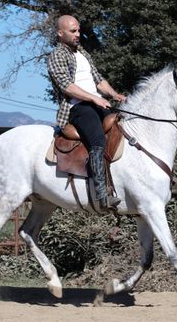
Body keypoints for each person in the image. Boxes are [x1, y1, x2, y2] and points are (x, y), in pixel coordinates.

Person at [47, 15, 126, 212]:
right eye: (73, 31)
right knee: (98, 139)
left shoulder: (83, 53)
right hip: (77, 108)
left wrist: (115, 94)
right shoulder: (57, 55)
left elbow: (99, 80)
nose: (78, 34)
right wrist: (93, 98)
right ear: (60, 33)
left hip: (96, 103)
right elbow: (67, 86)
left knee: (121, 126)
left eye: (78, 30)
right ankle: (102, 195)